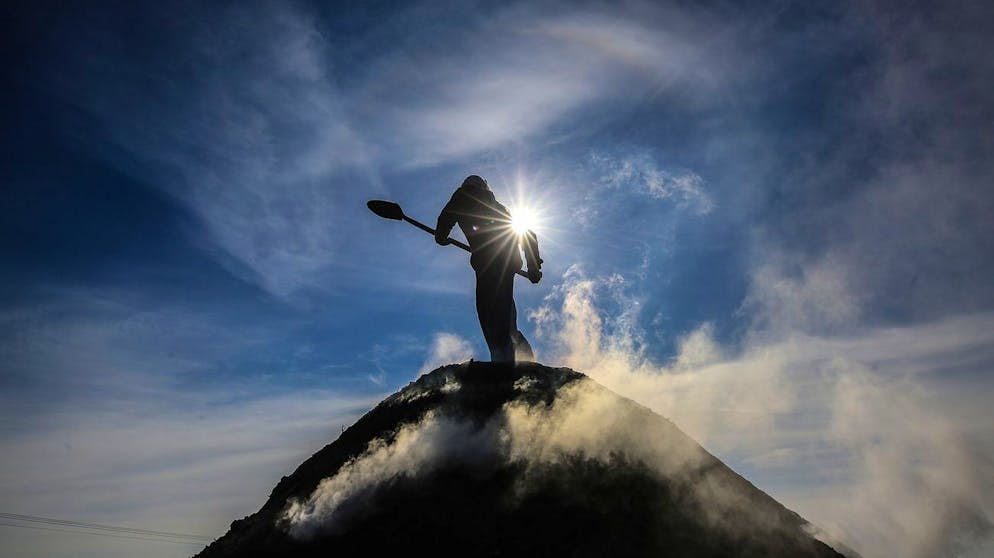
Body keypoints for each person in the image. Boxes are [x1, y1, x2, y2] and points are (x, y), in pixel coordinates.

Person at [435, 175, 542, 363]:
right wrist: (533, 267)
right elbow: (529, 235)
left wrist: (441, 235)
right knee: (505, 312)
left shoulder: (463, 195)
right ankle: (525, 360)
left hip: (488, 263)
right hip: (507, 264)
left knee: (489, 313)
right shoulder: (501, 209)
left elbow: (446, 217)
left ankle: (503, 363)